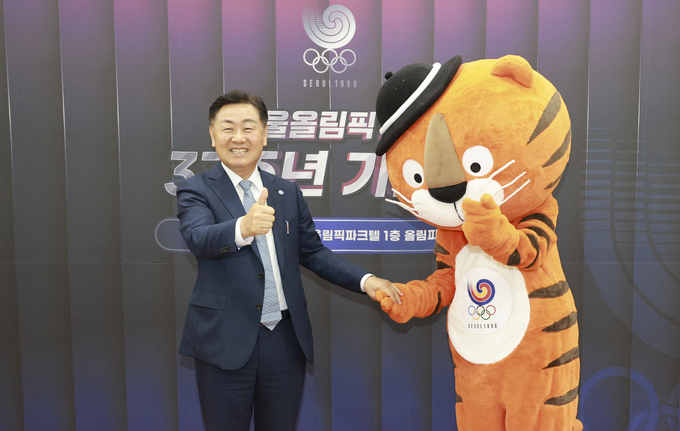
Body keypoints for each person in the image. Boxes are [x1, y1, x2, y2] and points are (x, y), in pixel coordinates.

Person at [176, 90, 402, 431]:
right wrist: (242, 227)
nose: (238, 137)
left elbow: (312, 252)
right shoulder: (196, 188)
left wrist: (366, 280)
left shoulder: (286, 191)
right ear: (212, 134)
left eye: (248, 127)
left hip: (284, 341)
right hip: (224, 341)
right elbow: (198, 237)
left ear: (264, 133)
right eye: (227, 128)